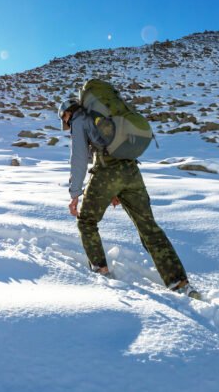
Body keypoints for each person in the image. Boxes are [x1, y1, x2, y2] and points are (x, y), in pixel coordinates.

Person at [60, 97, 197, 296]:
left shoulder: (79, 120)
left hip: (106, 171)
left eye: (65, 119)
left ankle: (101, 271)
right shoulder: (105, 115)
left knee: (86, 221)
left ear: (67, 113)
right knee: (149, 227)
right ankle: (180, 283)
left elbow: (79, 159)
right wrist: (116, 190)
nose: (66, 123)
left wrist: (75, 195)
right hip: (131, 170)